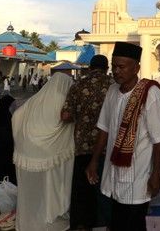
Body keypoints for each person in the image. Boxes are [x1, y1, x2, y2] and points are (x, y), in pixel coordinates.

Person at [86, 42, 160, 231]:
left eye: (121, 67)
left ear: (136, 68)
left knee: (134, 223)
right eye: (114, 66)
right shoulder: (112, 91)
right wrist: (94, 161)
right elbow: (104, 128)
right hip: (114, 170)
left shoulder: (149, 93)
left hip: (138, 174)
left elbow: (159, 137)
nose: (116, 71)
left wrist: (156, 174)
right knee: (117, 220)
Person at [12, 72, 75, 231]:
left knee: (31, 192)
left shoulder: (35, 99)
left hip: (28, 152)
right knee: (52, 190)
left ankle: (28, 224)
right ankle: (51, 224)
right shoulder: (63, 100)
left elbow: (16, 117)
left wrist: (24, 139)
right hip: (53, 153)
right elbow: (68, 120)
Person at [60, 54, 114, 231]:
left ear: (90, 68)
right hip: (108, 146)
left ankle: (82, 224)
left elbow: (65, 116)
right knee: (106, 186)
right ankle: (106, 222)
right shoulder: (114, 86)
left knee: (83, 188)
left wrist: (81, 118)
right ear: (107, 68)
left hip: (83, 146)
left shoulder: (79, 85)